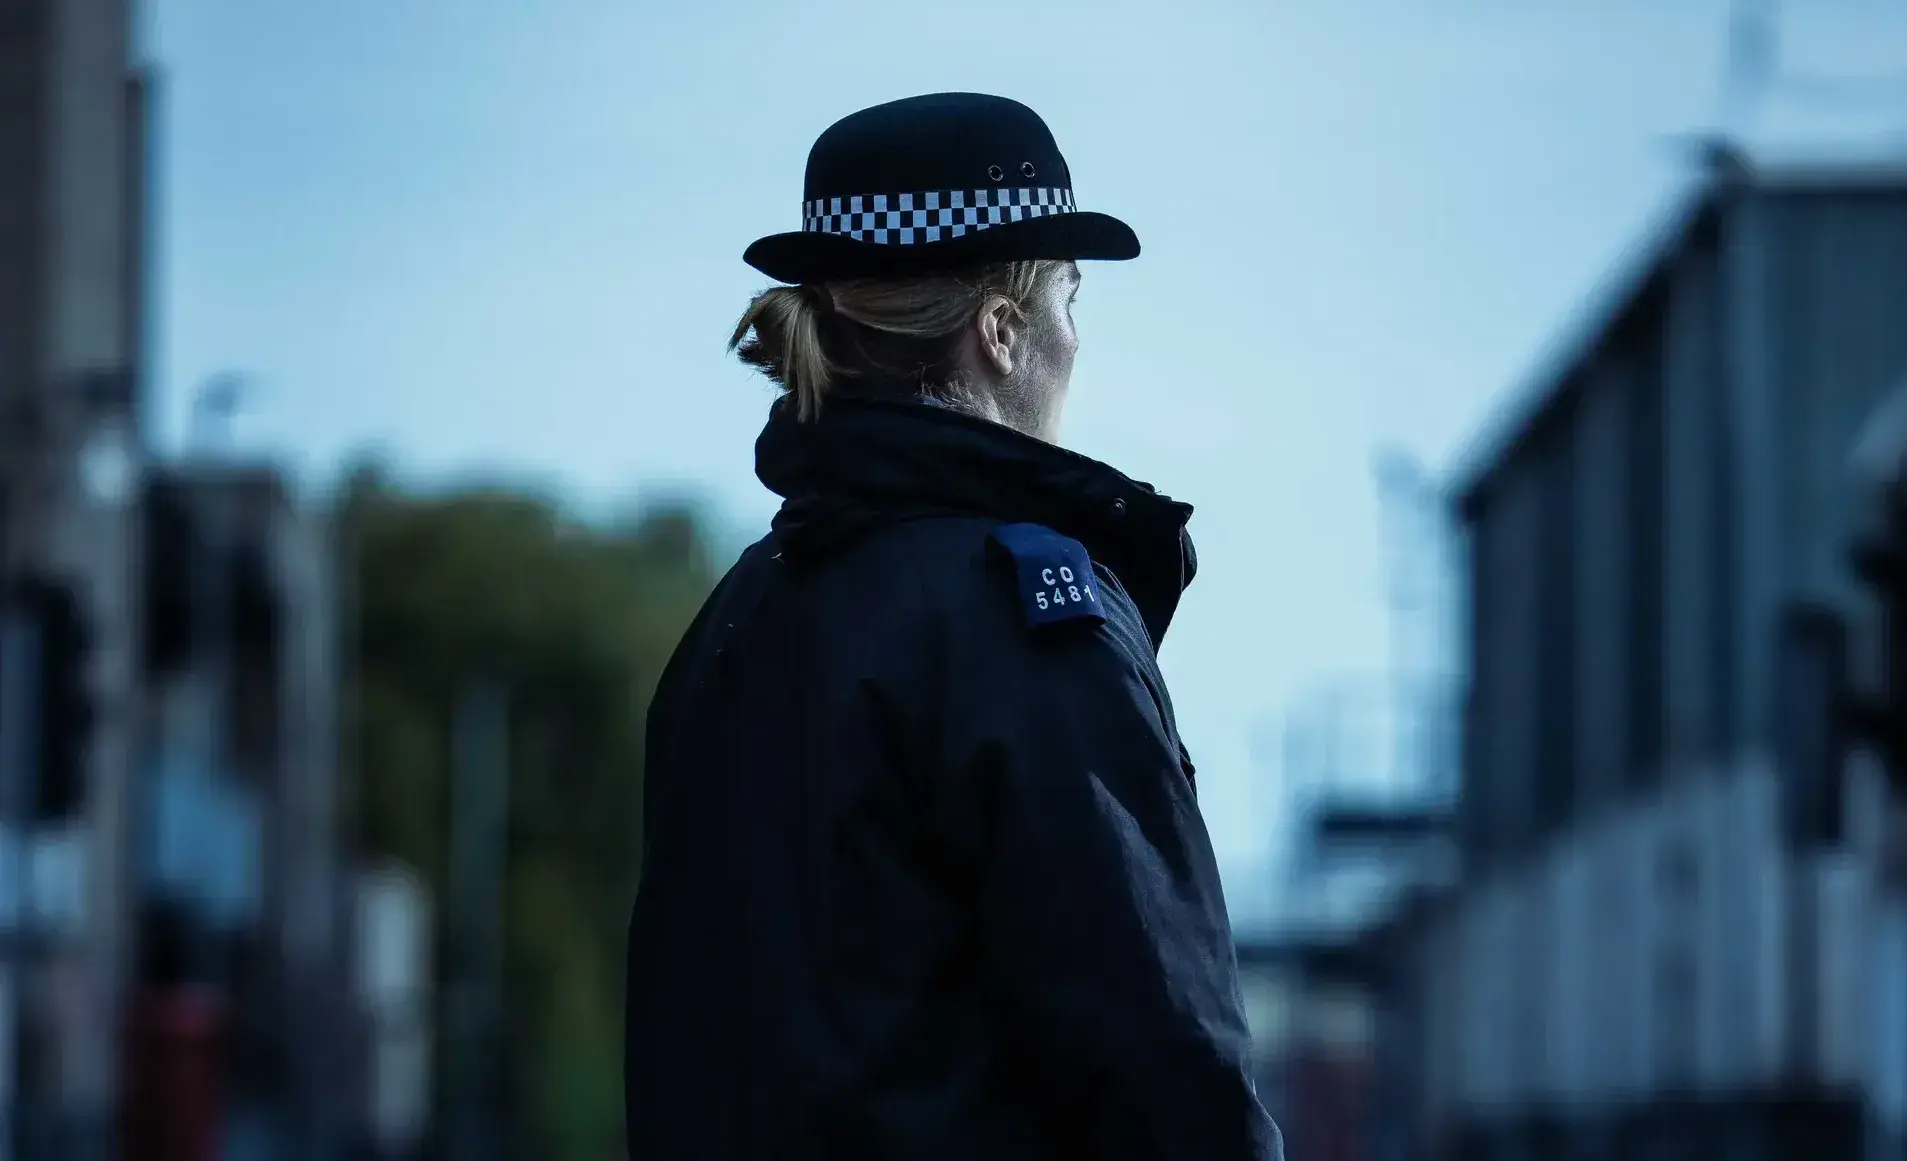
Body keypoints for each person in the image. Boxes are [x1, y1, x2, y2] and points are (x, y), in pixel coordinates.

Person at [626, 92, 1282, 1161]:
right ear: (1001, 330)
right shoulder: (1018, 619)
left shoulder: (734, 622)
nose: (1080, 337)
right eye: (1069, 295)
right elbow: (1161, 1058)